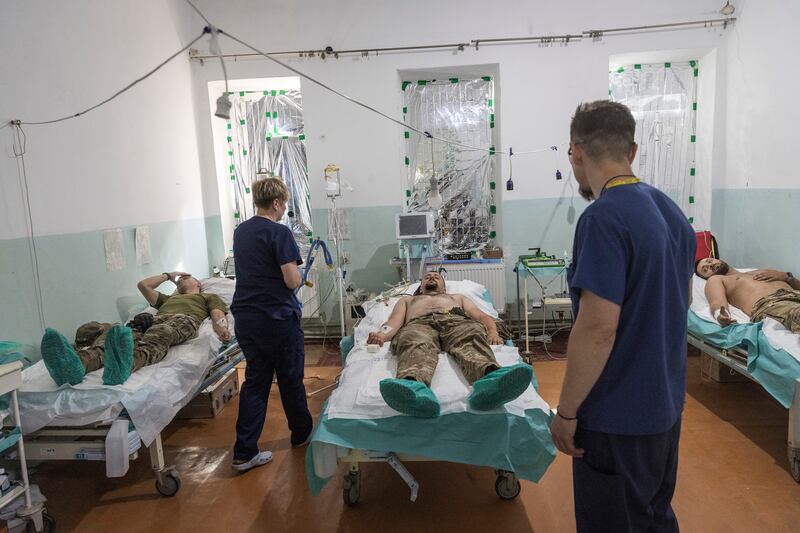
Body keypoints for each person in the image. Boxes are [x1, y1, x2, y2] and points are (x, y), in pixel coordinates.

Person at [549, 101, 696, 532]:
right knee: (653, 518)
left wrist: (567, 412)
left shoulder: (603, 220)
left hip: (617, 422)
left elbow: (597, 330)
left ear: (575, 152)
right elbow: (681, 300)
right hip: (664, 412)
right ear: (632, 151)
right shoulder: (671, 213)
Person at [230, 176, 313, 473]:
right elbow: (291, 280)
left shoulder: (241, 232)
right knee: (290, 379)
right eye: (284, 205)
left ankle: (244, 452)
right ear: (277, 202)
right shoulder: (279, 233)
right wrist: (300, 278)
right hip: (277, 319)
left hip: (247, 319)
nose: (283, 210)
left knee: (256, 382)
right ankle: (302, 434)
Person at [366, 271, 533, 418]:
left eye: (436, 277)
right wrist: (382, 334)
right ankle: (413, 389)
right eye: (427, 277)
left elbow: (481, 317)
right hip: (419, 324)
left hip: (456, 321)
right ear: (421, 286)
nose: (431, 278)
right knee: (413, 340)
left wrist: (493, 332)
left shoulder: (457, 298)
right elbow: (393, 322)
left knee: (470, 334)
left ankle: (490, 383)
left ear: (444, 287)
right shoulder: (407, 300)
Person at [40, 271, 230, 387]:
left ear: (198, 283)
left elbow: (217, 315)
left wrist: (223, 331)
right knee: (112, 335)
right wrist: (168, 275)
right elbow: (143, 285)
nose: (180, 280)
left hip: (181, 321)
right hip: (150, 321)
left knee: (160, 333)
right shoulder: (167, 299)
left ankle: (126, 365)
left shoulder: (207, 297)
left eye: (186, 277)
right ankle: (75, 366)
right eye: (179, 279)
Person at [695, 258, 800, 331]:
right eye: (706, 269)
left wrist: (786, 276)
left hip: (795, 295)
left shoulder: (761, 271)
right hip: (771, 304)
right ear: (706, 278)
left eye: (710, 261)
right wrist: (720, 315)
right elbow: (717, 302)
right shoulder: (717, 279)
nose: (710, 265)